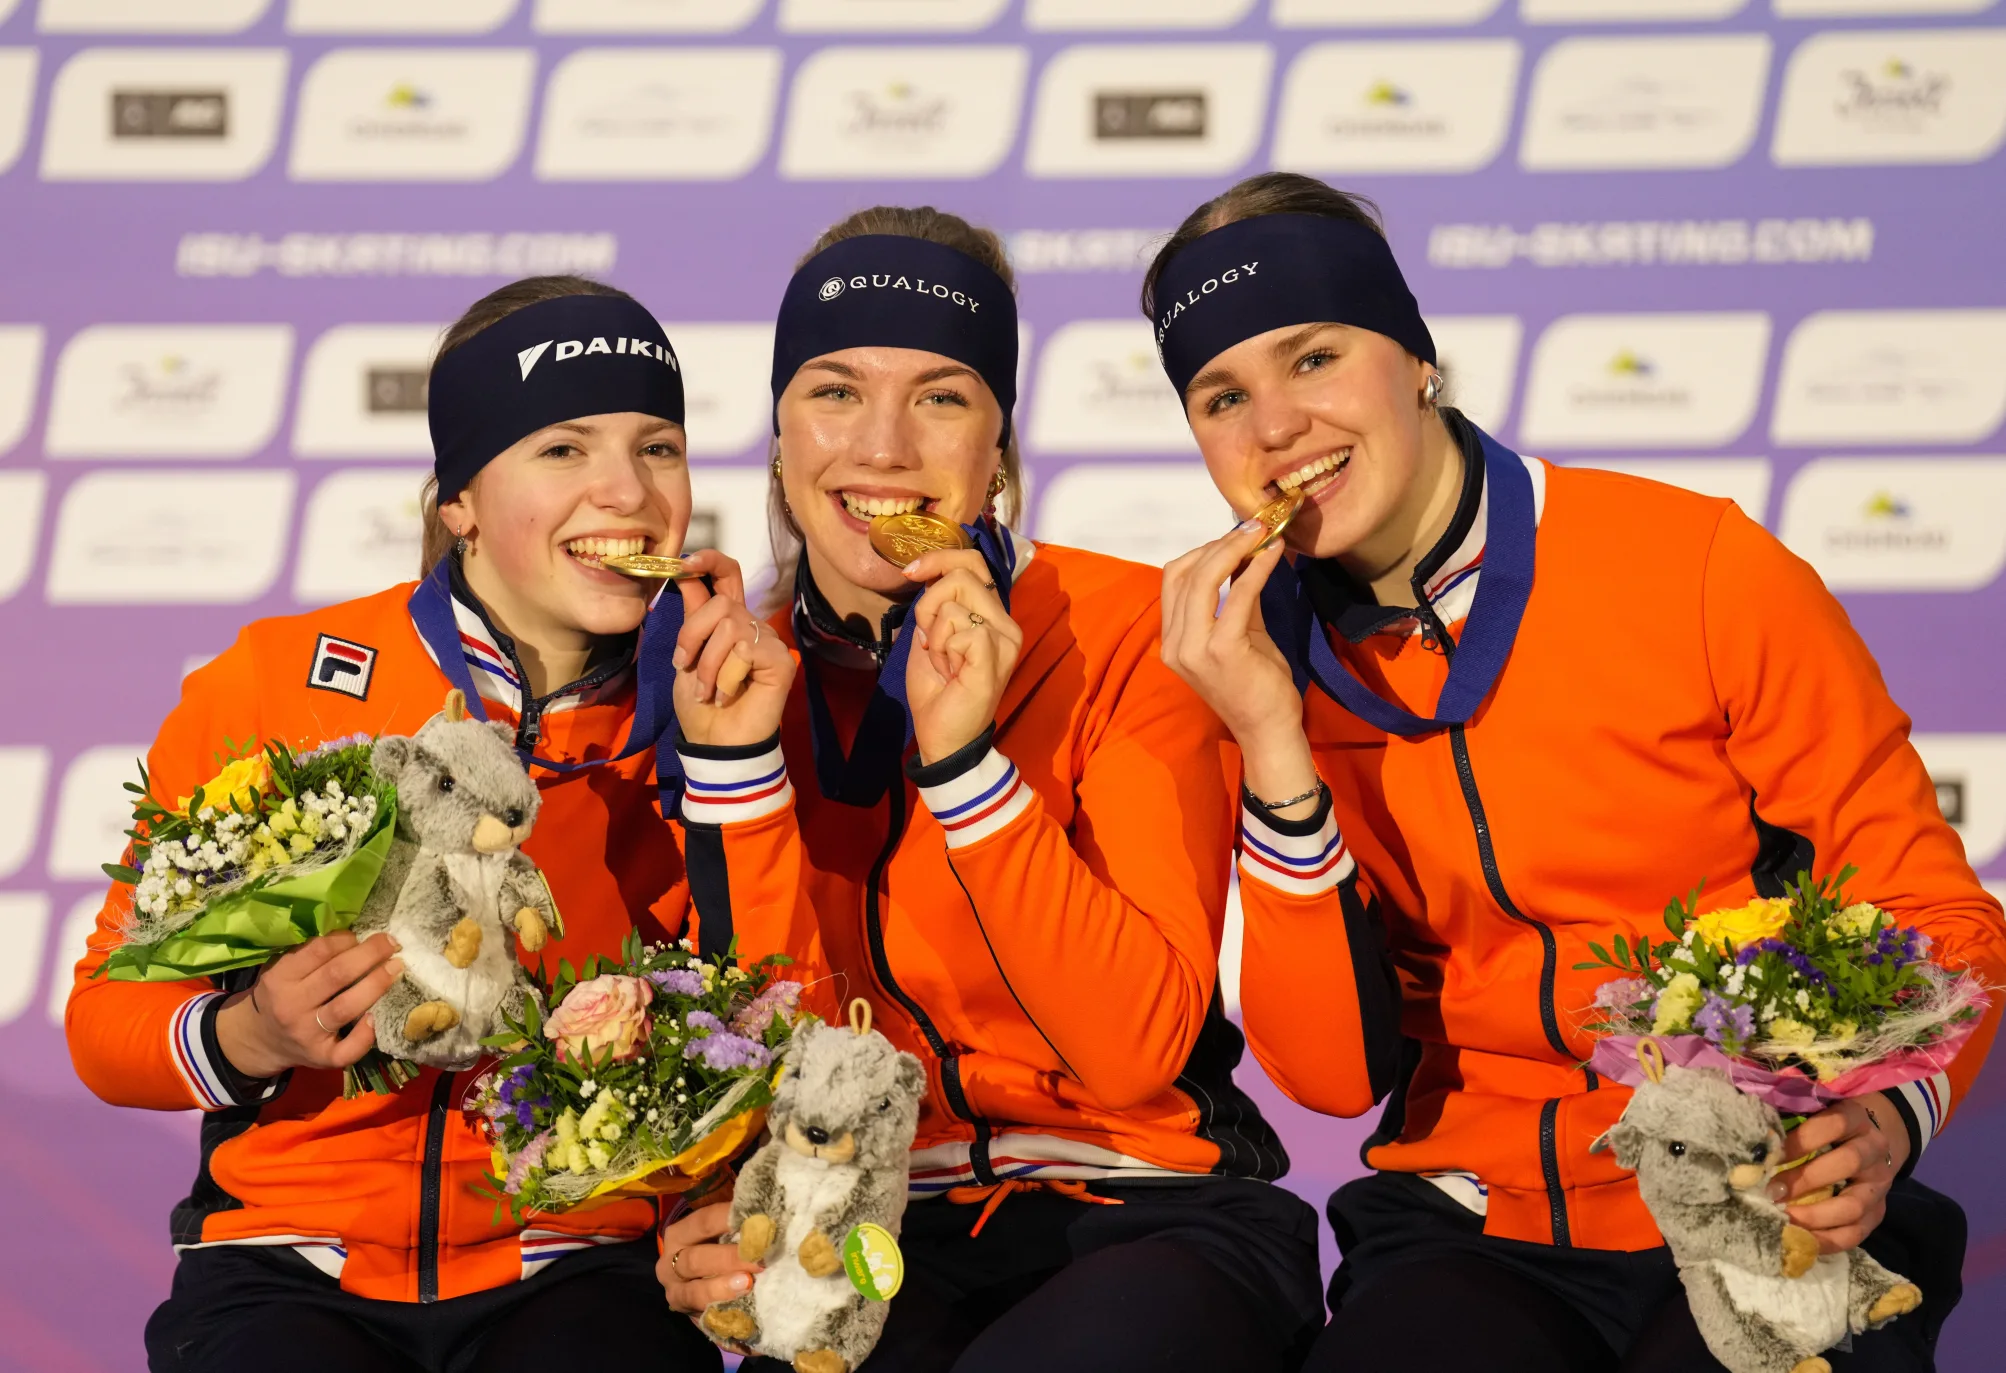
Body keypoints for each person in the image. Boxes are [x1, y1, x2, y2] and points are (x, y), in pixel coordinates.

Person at [1149, 173, 2006, 1373]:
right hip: (1470, 1221)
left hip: (1765, 1185)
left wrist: (1880, 1117)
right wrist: (1271, 744)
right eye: (1222, 395)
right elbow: (1333, 1078)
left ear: (1414, 359)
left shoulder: (1695, 566)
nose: (1274, 426)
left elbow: (1931, 910)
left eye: (1314, 357)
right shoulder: (1245, 661)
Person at [647, 205, 1326, 1373]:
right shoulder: (727, 677)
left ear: (998, 449)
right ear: (777, 436)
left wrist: (966, 770)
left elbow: (1131, 1052)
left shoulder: (1129, 632)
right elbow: (762, 1057)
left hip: (1149, 1201)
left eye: (941, 397)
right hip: (873, 1232)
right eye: (834, 391)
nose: (881, 446)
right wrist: (738, 774)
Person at [66, 276, 745, 1373]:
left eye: (657, 446)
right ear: (460, 500)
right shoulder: (278, 682)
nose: (628, 490)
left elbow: (768, 999)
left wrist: (728, 761)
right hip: (286, 1260)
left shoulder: (716, 710)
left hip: (579, 1261)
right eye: (563, 448)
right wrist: (255, 1035)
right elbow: (106, 1019)